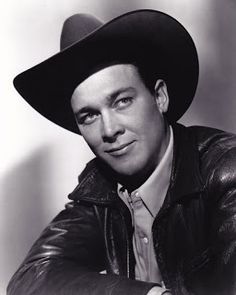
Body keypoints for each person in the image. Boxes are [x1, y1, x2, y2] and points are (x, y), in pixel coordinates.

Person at [7, 9, 236, 295]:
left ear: (160, 97)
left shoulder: (227, 171)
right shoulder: (101, 190)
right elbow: (30, 278)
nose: (109, 129)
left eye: (122, 101)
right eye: (89, 116)